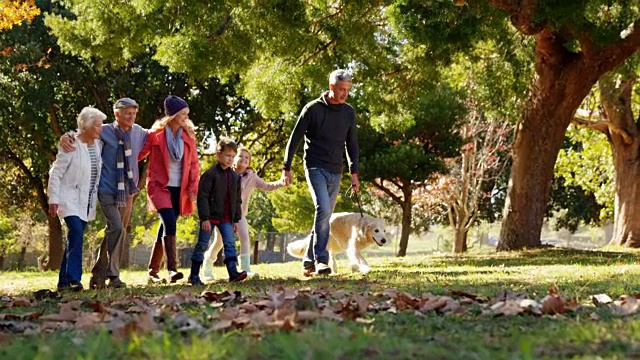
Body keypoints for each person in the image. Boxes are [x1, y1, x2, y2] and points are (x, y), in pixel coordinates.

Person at [60, 97, 148, 289]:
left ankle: (104, 274)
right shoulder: (104, 130)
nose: (131, 117)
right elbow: (82, 134)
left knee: (117, 231)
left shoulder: (140, 132)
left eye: (134, 113)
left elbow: (157, 136)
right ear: (117, 114)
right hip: (107, 189)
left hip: (128, 191)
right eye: (127, 113)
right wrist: (66, 136)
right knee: (116, 227)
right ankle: (110, 273)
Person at [282, 69, 360, 276]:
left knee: (323, 216)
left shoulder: (348, 112)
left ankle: (308, 261)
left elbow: (351, 144)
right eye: (341, 89)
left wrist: (354, 173)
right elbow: (295, 138)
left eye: (348, 90)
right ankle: (321, 260)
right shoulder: (313, 109)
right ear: (332, 87)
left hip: (337, 170)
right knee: (324, 210)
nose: (345, 94)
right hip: (315, 166)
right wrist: (286, 166)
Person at [200, 146, 287, 280]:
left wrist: (281, 182)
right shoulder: (225, 173)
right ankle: (208, 264)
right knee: (219, 242)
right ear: (233, 158)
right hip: (223, 215)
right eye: (241, 156)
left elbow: (268, 186)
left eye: (247, 158)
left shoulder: (252, 177)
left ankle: (246, 268)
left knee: (245, 237)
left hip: (239, 215)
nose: (244, 159)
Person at [139, 95, 200, 284]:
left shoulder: (188, 136)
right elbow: (140, 155)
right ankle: (172, 269)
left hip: (179, 190)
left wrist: (192, 187)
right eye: (182, 114)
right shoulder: (155, 135)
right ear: (172, 115)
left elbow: (194, 164)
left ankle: (152, 271)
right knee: (169, 222)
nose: (186, 117)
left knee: (165, 225)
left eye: (187, 114)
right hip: (159, 187)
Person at [48, 107, 106, 291]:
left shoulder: (98, 144)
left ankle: (63, 282)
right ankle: (74, 279)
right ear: (87, 126)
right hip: (68, 199)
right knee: (76, 233)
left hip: (86, 202)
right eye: (97, 125)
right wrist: (53, 199)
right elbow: (56, 173)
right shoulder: (71, 145)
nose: (100, 129)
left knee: (74, 237)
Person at [189, 137, 246, 284]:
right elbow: (202, 197)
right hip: (210, 217)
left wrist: (236, 220)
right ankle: (194, 275)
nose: (230, 159)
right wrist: (205, 218)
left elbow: (237, 200)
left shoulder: (235, 176)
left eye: (233, 157)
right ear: (218, 154)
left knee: (230, 243)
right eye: (227, 155)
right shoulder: (210, 175)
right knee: (202, 244)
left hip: (227, 218)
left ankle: (233, 272)